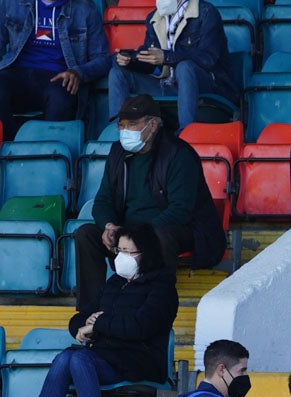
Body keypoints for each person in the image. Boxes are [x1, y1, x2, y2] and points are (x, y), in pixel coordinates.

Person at [74, 95, 225, 310]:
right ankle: (91, 311)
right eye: (122, 125)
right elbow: (103, 200)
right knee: (86, 234)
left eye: (133, 124)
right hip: (129, 231)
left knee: (159, 237)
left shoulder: (179, 154)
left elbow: (179, 211)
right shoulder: (117, 152)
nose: (125, 130)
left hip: (179, 230)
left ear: (153, 125)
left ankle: (155, 308)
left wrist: (137, 235)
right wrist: (109, 226)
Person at [39, 224, 179, 397]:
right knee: (65, 357)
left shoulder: (162, 288)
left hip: (138, 360)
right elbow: (81, 317)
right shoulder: (115, 282)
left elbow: (139, 326)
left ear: (147, 254)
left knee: (79, 357)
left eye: (129, 252)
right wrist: (84, 323)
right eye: (119, 251)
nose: (122, 257)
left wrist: (98, 324)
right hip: (108, 356)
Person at [0, 0, 109, 136]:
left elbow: (102, 58)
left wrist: (78, 73)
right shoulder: (10, 3)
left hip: (58, 77)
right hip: (17, 73)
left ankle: (49, 153)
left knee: (61, 97)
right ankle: (7, 150)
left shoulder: (85, 8)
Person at [108, 0, 238, 130]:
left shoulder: (206, 12)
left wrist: (166, 57)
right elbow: (151, 63)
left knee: (184, 68)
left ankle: (186, 132)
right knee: (117, 73)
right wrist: (131, 60)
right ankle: (116, 131)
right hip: (167, 84)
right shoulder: (155, 17)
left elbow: (208, 58)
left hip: (208, 84)